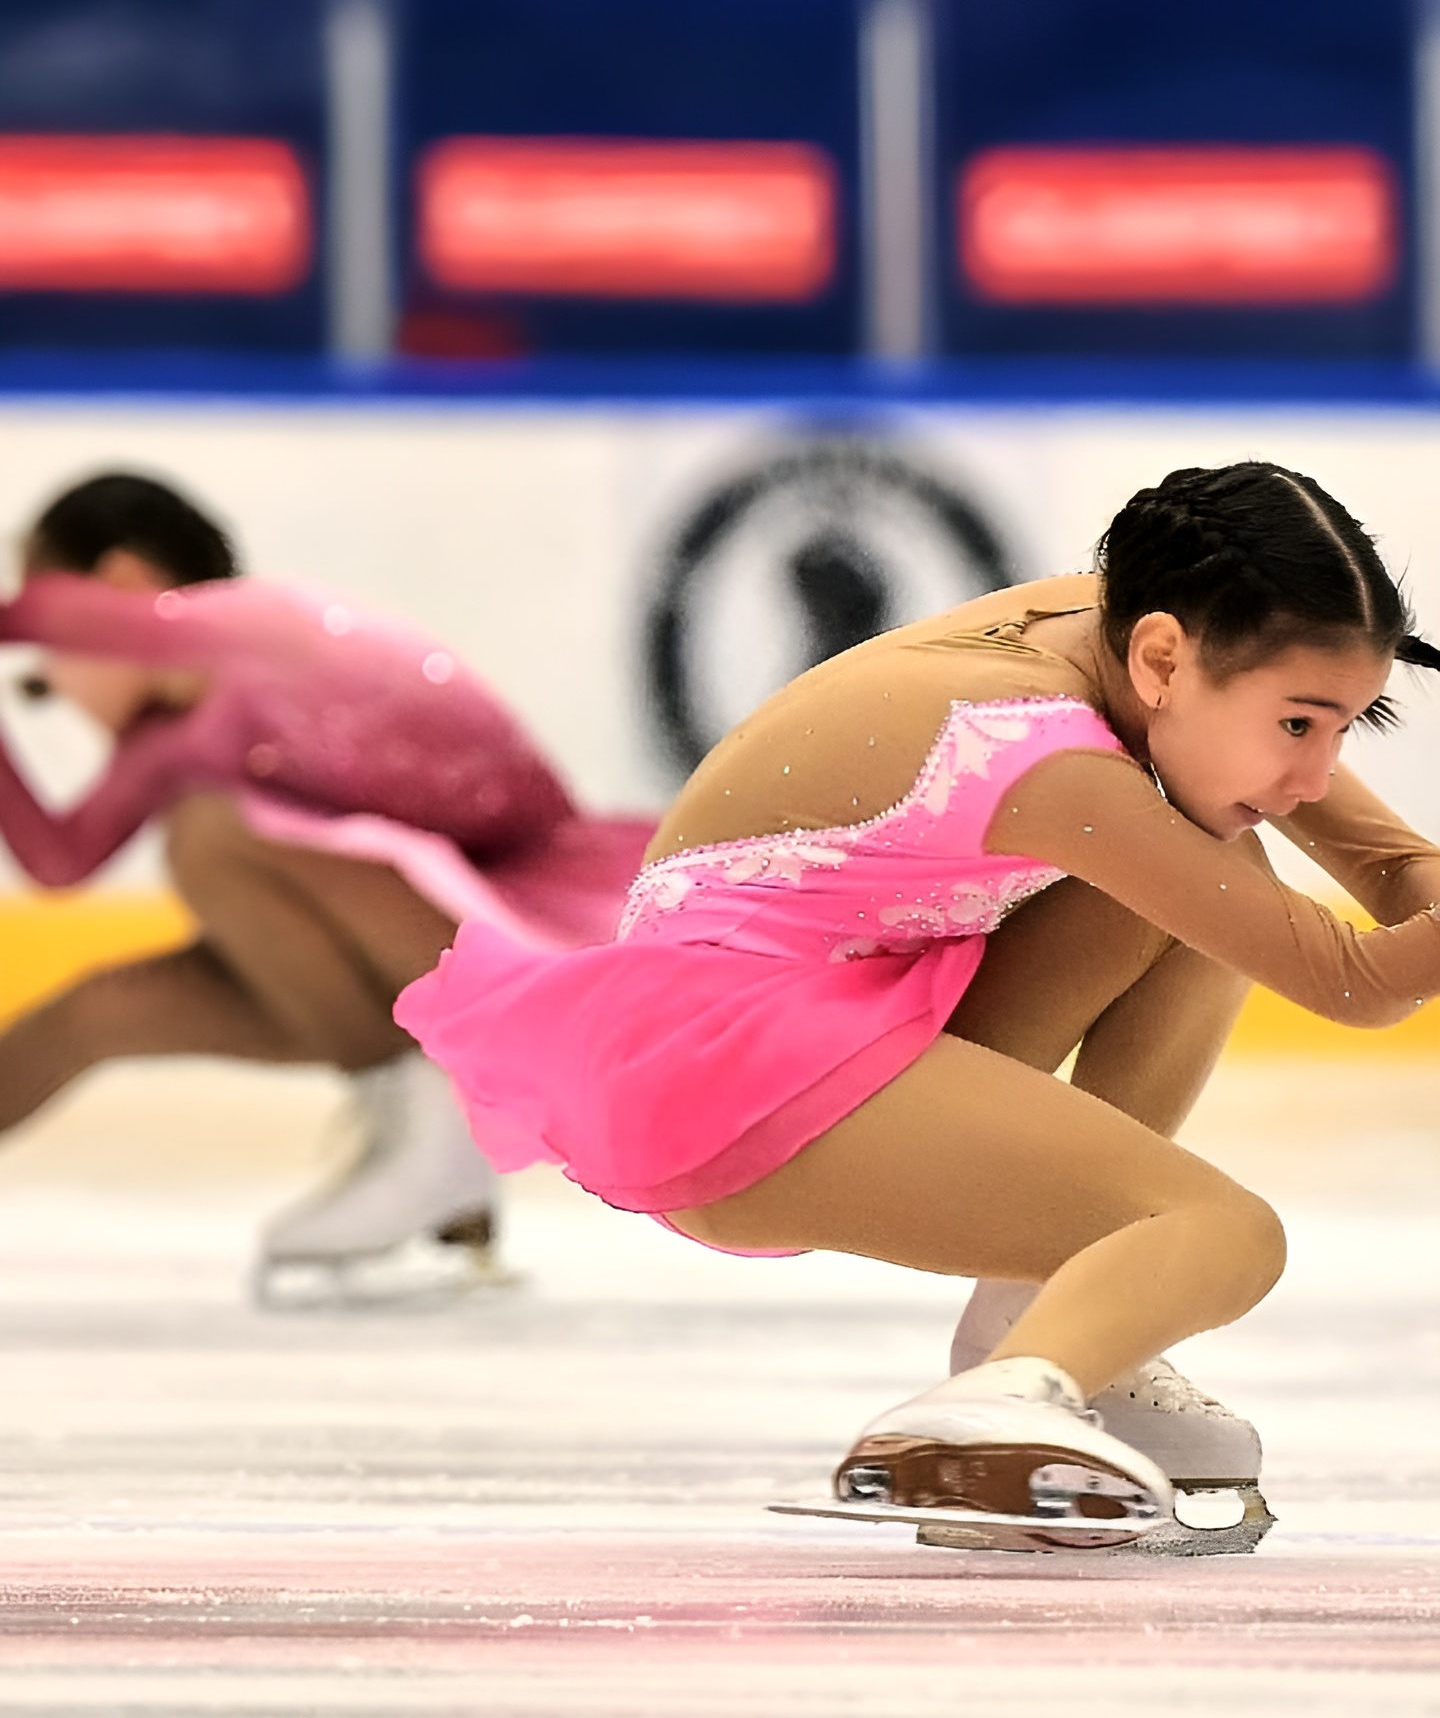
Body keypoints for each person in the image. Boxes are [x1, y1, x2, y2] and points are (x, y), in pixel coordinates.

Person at [401, 460, 1440, 1546]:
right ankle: (1002, 1403)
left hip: (836, 1007)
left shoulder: (1128, 627)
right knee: (1226, 1231)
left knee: (1211, 872)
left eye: (1347, 727)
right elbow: (1352, 982)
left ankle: (1024, 1323)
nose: (1317, 776)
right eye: (1300, 726)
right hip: (714, 1070)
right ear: (1165, 657)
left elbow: (1390, 867)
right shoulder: (1037, 752)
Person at [0, 468, 653, 1303]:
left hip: (527, 919)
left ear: (121, 584)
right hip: (397, 948)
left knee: (208, 835)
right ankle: (425, 1135)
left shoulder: (249, 627)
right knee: (95, 1012)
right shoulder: (170, 740)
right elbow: (58, 863)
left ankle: (432, 1128)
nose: (52, 684)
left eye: (49, 656)